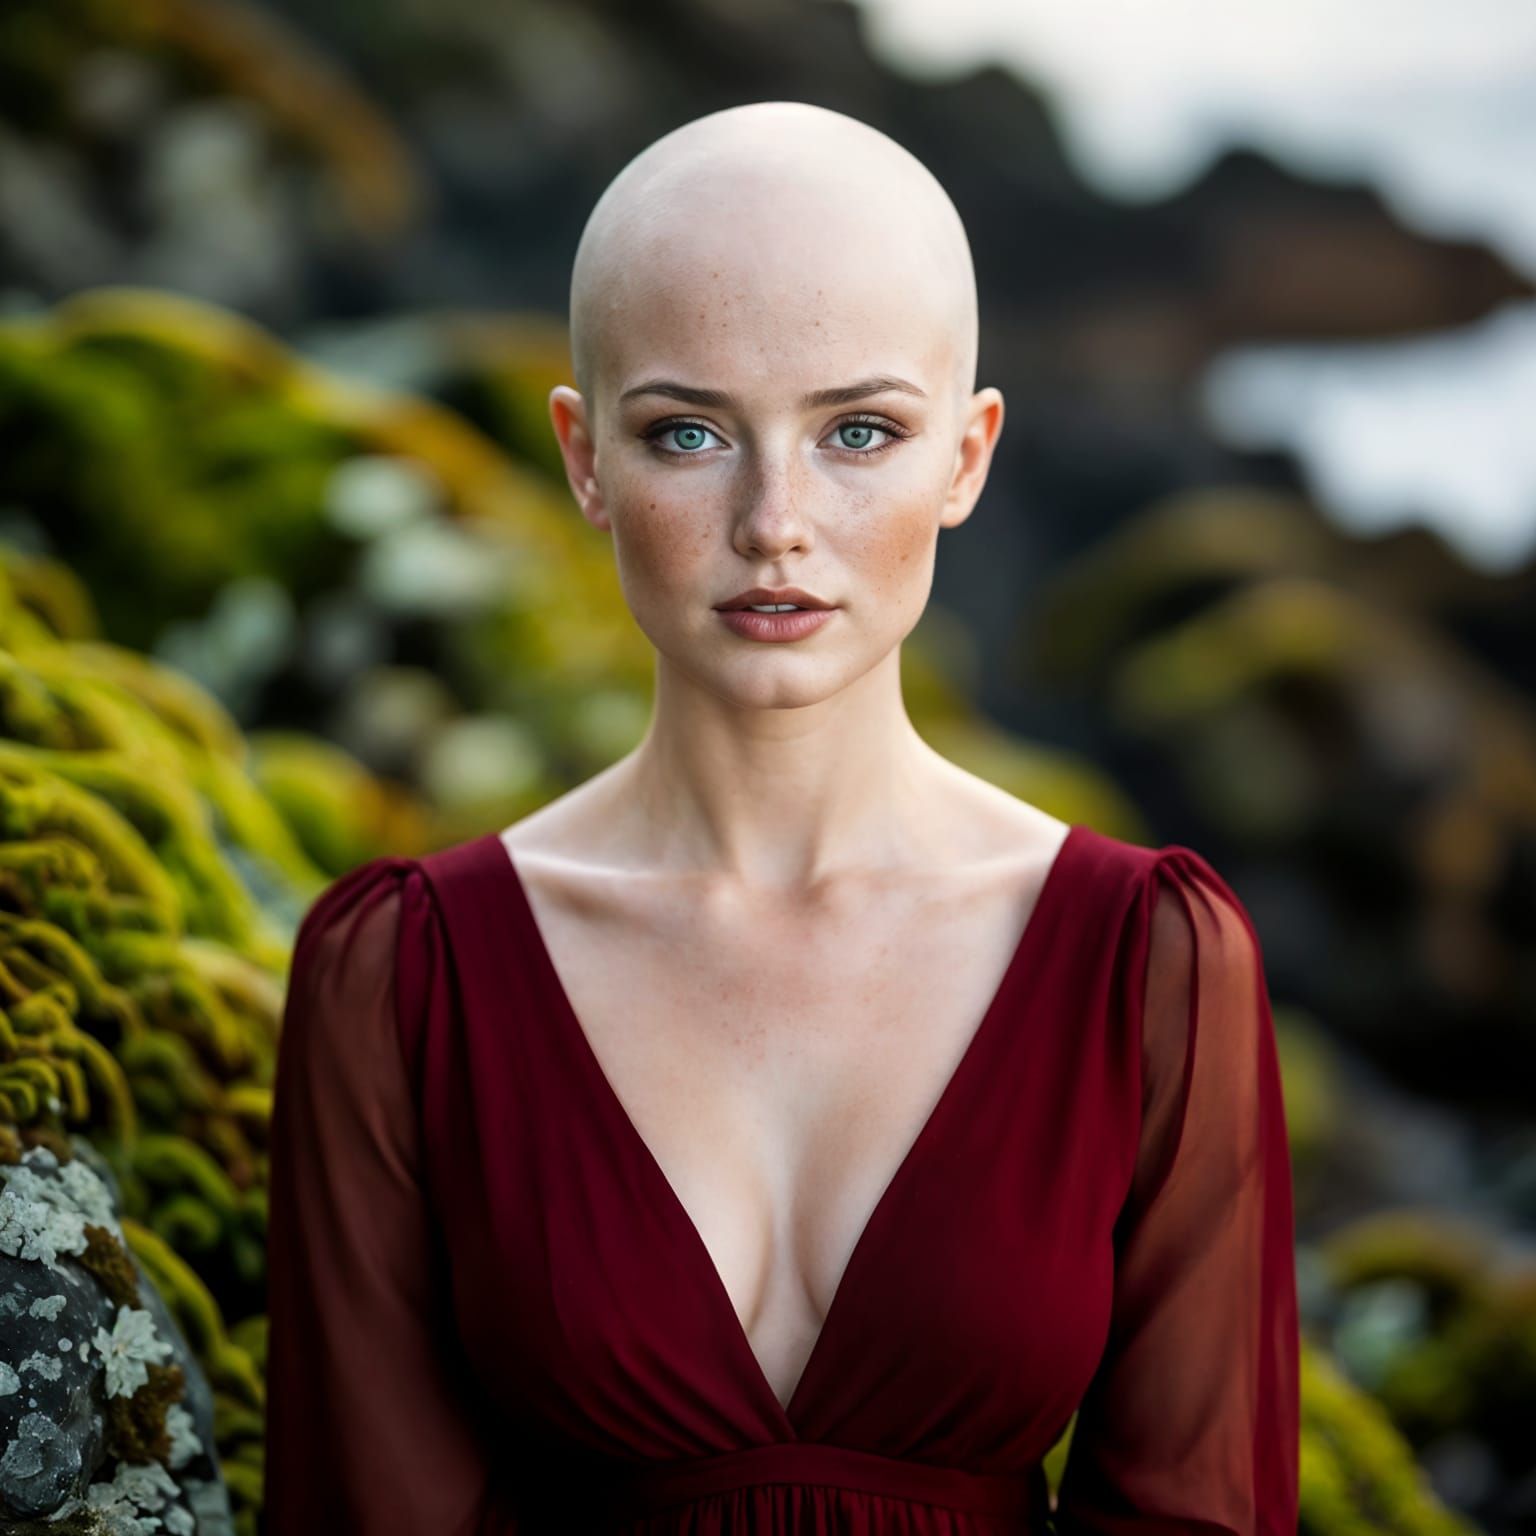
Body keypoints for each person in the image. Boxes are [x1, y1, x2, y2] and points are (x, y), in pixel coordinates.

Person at [262, 101, 1300, 1534]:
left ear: (969, 456)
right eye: (688, 432)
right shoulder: (400, 980)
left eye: (858, 431)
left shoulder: (1152, 962)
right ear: (581, 460)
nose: (774, 521)